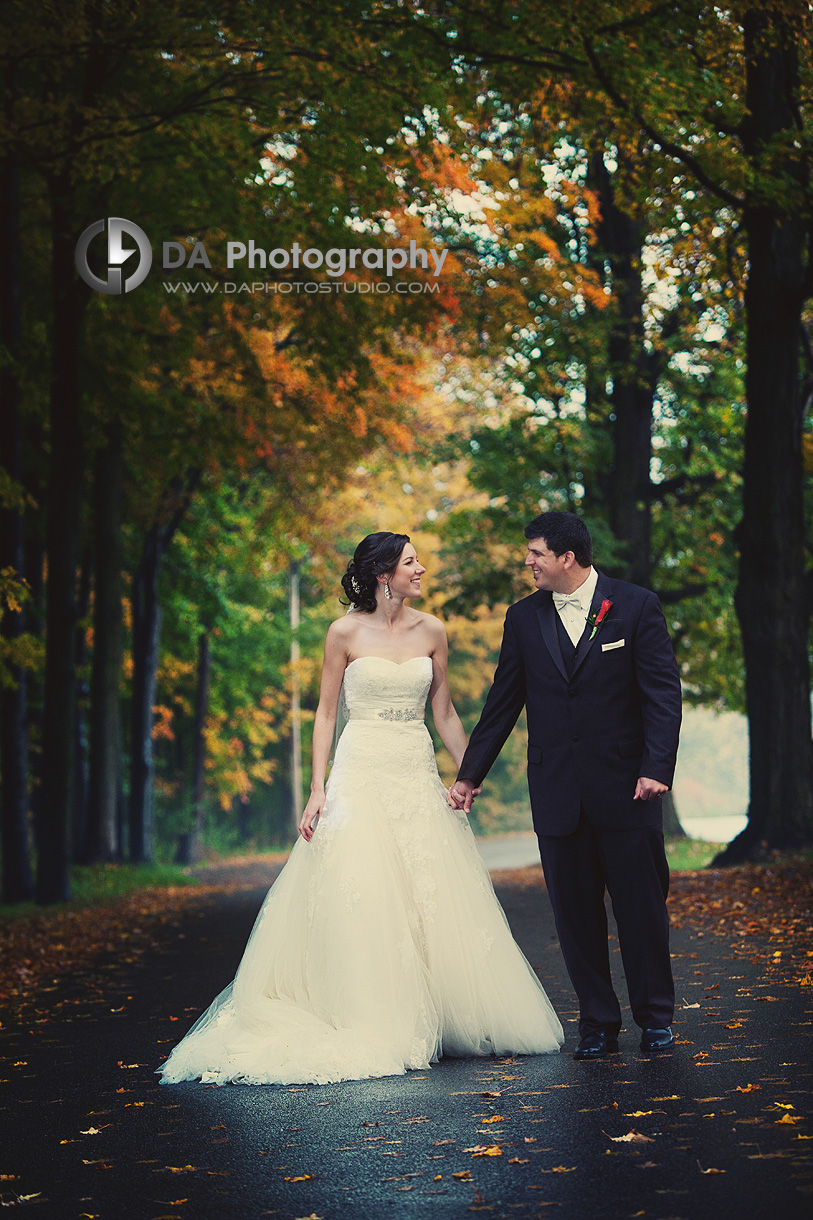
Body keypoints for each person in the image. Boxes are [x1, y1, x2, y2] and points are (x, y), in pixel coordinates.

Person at [158, 531, 562, 1087]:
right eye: (411, 562)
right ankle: (373, 1014)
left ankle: (441, 1015)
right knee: (365, 891)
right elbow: (326, 713)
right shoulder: (342, 632)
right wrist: (318, 788)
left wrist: (469, 771)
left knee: (427, 891)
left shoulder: (433, 630)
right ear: (382, 574)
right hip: (361, 768)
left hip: (413, 769)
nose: (421, 569)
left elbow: (443, 712)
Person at [450, 512, 682, 1060]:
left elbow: (661, 696)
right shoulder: (523, 618)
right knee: (575, 920)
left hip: (630, 791)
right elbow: (503, 702)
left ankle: (655, 1020)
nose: (527, 562)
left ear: (567, 558)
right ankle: (598, 1024)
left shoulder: (635, 606)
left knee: (642, 912)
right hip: (557, 795)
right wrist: (469, 776)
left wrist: (656, 767)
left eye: (535, 553)